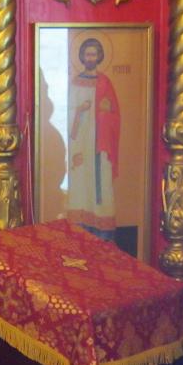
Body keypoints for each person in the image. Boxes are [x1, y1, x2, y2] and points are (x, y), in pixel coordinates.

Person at [66, 37, 121, 237]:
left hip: (99, 144)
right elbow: (68, 111)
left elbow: (115, 114)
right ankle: (80, 230)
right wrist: (80, 110)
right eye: (87, 54)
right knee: (81, 183)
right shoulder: (76, 82)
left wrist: (104, 115)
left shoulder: (105, 82)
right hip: (81, 143)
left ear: (99, 57)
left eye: (94, 54)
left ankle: (103, 233)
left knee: (102, 183)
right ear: (82, 57)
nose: (90, 58)